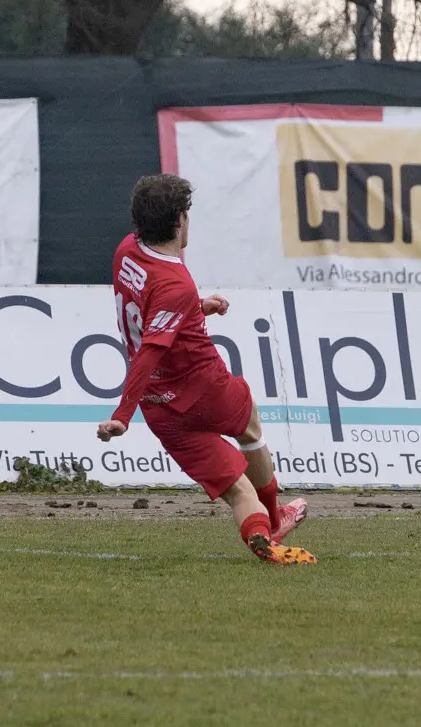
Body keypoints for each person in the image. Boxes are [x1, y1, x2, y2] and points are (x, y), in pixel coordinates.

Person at [96, 174, 316, 565]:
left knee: (238, 491)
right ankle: (274, 516)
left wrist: (195, 308)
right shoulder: (175, 282)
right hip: (203, 388)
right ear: (179, 220)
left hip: (159, 408)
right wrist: (121, 416)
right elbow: (152, 346)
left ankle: (260, 536)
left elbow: (151, 311)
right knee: (250, 425)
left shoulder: (126, 251)